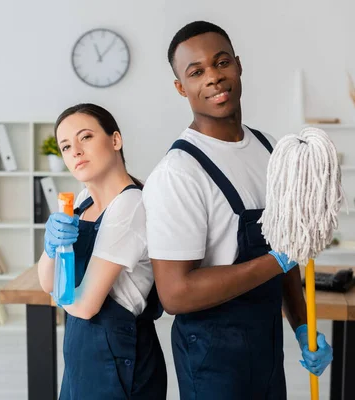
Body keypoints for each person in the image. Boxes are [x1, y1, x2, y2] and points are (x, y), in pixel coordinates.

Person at [142, 21, 333, 399]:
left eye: (221, 62)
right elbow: (175, 293)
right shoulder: (178, 174)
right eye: (196, 72)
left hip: (265, 345)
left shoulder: (271, 150)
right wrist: (278, 260)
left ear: (238, 65)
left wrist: (302, 324)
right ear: (181, 87)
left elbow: (287, 251)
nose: (213, 77)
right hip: (212, 358)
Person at [37, 103, 167, 399]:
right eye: (66, 146)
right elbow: (46, 282)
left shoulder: (130, 205)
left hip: (118, 358)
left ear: (115, 140)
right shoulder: (83, 201)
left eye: (85, 137)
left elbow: (85, 305)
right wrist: (50, 248)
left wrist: (58, 286)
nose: (76, 151)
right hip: (82, 354)